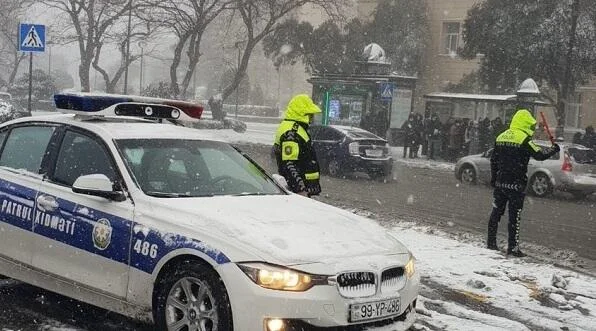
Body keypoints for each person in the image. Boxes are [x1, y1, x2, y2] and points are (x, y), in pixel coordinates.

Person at [487, 108, 559, 257]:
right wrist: (553, 150)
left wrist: (494, 178)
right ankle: (512, 248)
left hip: (501, 182)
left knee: (496, 212)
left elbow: (493, 160)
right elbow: (539, 155)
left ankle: (491, 243)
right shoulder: (524, 139)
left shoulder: (501, 136)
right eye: (531, 126)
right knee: (515, 217)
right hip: (516, 184)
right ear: (525, 124)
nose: (532, 129)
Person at [273, 94, 322, 197]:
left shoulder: (296, 128)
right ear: (302, 114)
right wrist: (300, 189)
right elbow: (289, 164)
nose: (312, 118)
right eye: (310, 114)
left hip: (305, 188)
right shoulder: (292, 132)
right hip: (300, 191)